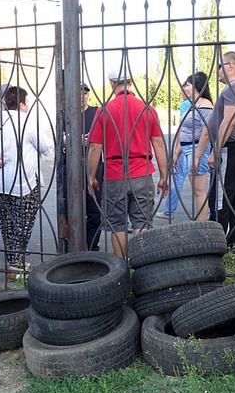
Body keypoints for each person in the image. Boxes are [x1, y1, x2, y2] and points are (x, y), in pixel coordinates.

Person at [87, 68, 168, 258]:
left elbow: (95, 147)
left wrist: (91, 176)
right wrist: (164, 176)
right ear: (131, 82)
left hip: (115, 175)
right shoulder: (147, 109)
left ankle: (121, 267)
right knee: (141, 222)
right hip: (142, 172)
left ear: (111, 84)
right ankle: (140, 265)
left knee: (117, 224)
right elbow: (159, 145)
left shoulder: (104, 110)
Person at [0, 86, 54, 278]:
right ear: (22, 104)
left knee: (6, 223)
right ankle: (15, 266)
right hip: (23, 182)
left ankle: (14, 261)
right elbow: (46, 148)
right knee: (23, 222)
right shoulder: (28, 122)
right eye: (27, 102)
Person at [193, 51, 235, 249]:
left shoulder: (233, 89)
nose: (217, 70)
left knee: (221, 198)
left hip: (228, 148)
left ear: (231, 66)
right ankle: (234, 244)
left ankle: (217, 244)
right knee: (233, 196)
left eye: (220, 66)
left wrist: (215, 151)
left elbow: (229, 119)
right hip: (232, 146)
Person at [169, 72, 213, 221]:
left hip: (196, 150)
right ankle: (201, 222)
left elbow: (205, 134)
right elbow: (187, 131)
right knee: (197, 191)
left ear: (196, 86)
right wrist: (177, 153)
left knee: (200, 191)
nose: (185, 88)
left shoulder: (205, 105)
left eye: (187, 85)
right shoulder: (194, 103)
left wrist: (196, 156)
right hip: (188, 149)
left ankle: (202, 224)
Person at [156, 95, 191, 220]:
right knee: (202, 181)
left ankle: (168, 211)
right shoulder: (206, 103)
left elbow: (182, 129)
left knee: (178, 178)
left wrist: (176, 151)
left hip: (185, 146)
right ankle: (208, 212)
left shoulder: (186, 104)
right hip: (200, 147)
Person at [81, 83, 103, 250]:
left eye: (85, 93)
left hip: (95, 165)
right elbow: (57, 137)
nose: (83, 96)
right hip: (71, 166)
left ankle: (91, 246)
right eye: (79, 93)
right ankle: (71, 246)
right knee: (69, 210)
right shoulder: (65, 113)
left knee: (95, 209)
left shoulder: (96, 112)